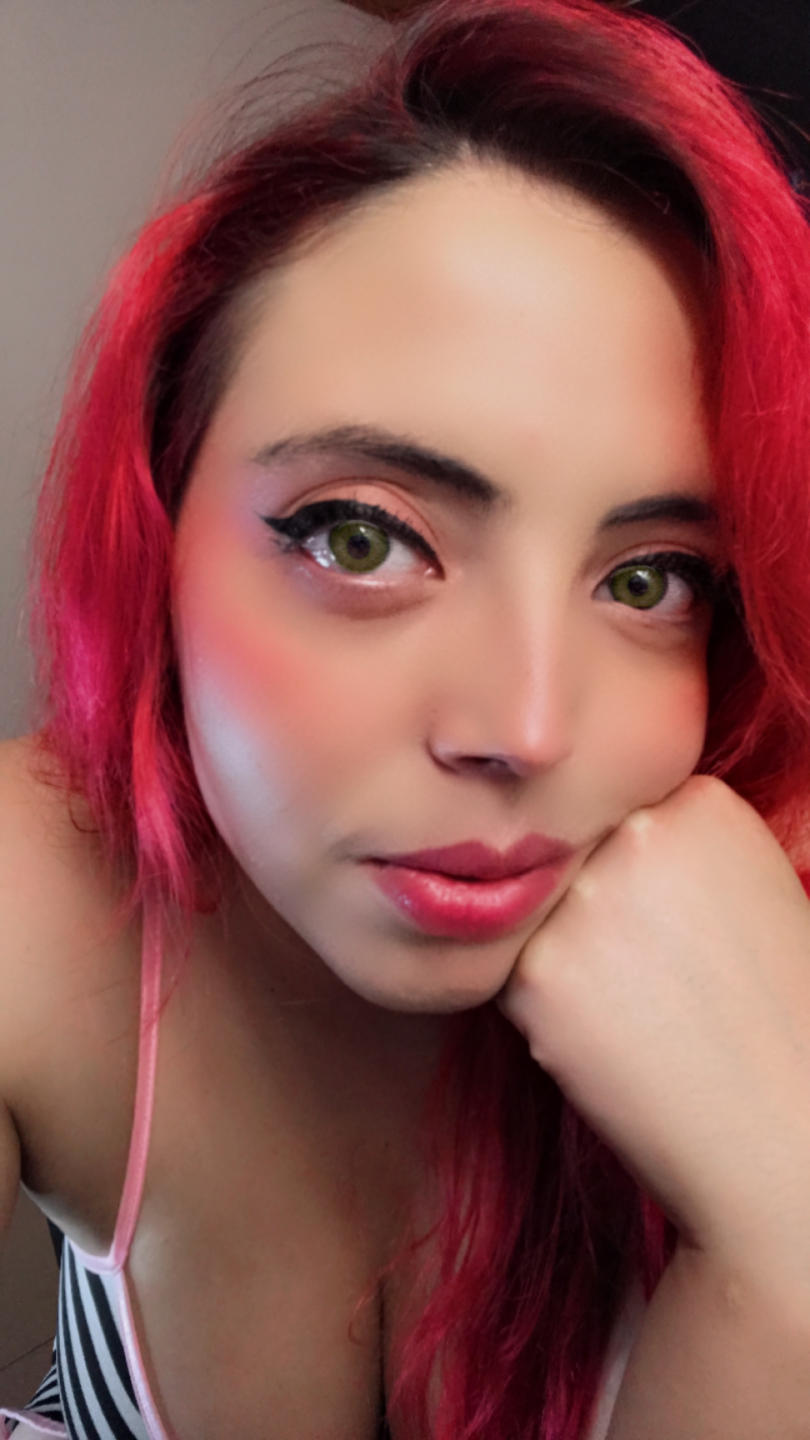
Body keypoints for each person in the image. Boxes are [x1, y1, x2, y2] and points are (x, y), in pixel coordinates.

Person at [2, 0, 810, 1435]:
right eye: (363, 538)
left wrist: (782, 1225)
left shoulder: (769, 924)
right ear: (161, 517)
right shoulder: (38, 901)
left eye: (648, 578)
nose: (527, 727)